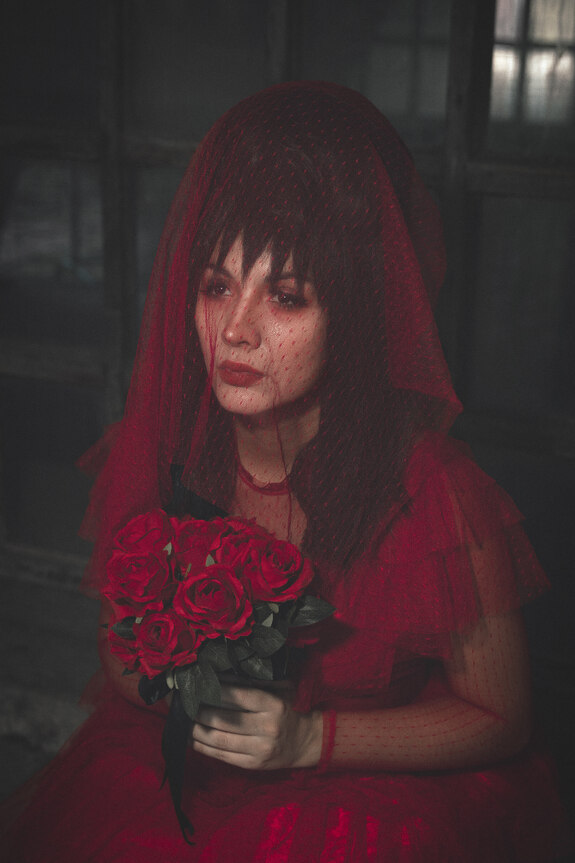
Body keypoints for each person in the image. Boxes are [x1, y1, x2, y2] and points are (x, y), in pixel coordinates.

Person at [0, 81, 570, 862]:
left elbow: (500, 717)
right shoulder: (166, 447)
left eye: (287, 297)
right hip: (191, 773)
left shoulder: (433, 492)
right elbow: (116, 645)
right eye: (215, 285)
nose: (235, 329)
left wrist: (309, 737)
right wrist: (193, 691)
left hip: (365, 792)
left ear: (353, 320)